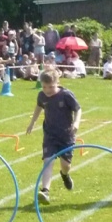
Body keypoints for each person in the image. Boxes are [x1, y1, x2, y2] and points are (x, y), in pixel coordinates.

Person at [26, 68, 82, 204]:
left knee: (65, 165)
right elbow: (39, 107)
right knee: (48, 161)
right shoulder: (42, 95)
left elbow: (78, 109)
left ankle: (65, 174)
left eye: (51, 87)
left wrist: (76, 123)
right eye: (45, 87)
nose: (47, 90)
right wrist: (32, 122)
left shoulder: (66, 95)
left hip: (66, 135)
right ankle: (45, 191)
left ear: (57, 83)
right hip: (50, 134)